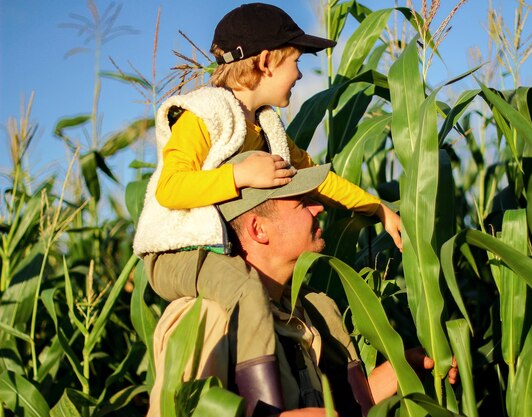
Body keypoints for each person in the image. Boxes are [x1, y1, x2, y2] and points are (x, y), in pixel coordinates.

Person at [133, 2, 402, 398]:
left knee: (321, 307)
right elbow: (169, 189)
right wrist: (239, 175)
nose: (299, 74)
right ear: (266, 61)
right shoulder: (205, 115)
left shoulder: (264, 124)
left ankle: (357, 400)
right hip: (177, 253)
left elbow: (315, 178)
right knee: (246, 292)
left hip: (220, 251)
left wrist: (376, 208)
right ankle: (268, 405)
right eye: (295, 60)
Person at [147, 152, 457, 417]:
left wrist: (405, 367)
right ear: (259, 229)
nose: (319, 208)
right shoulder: (207, 317)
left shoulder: (305, 313)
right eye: (302, 203)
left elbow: (335, 409)